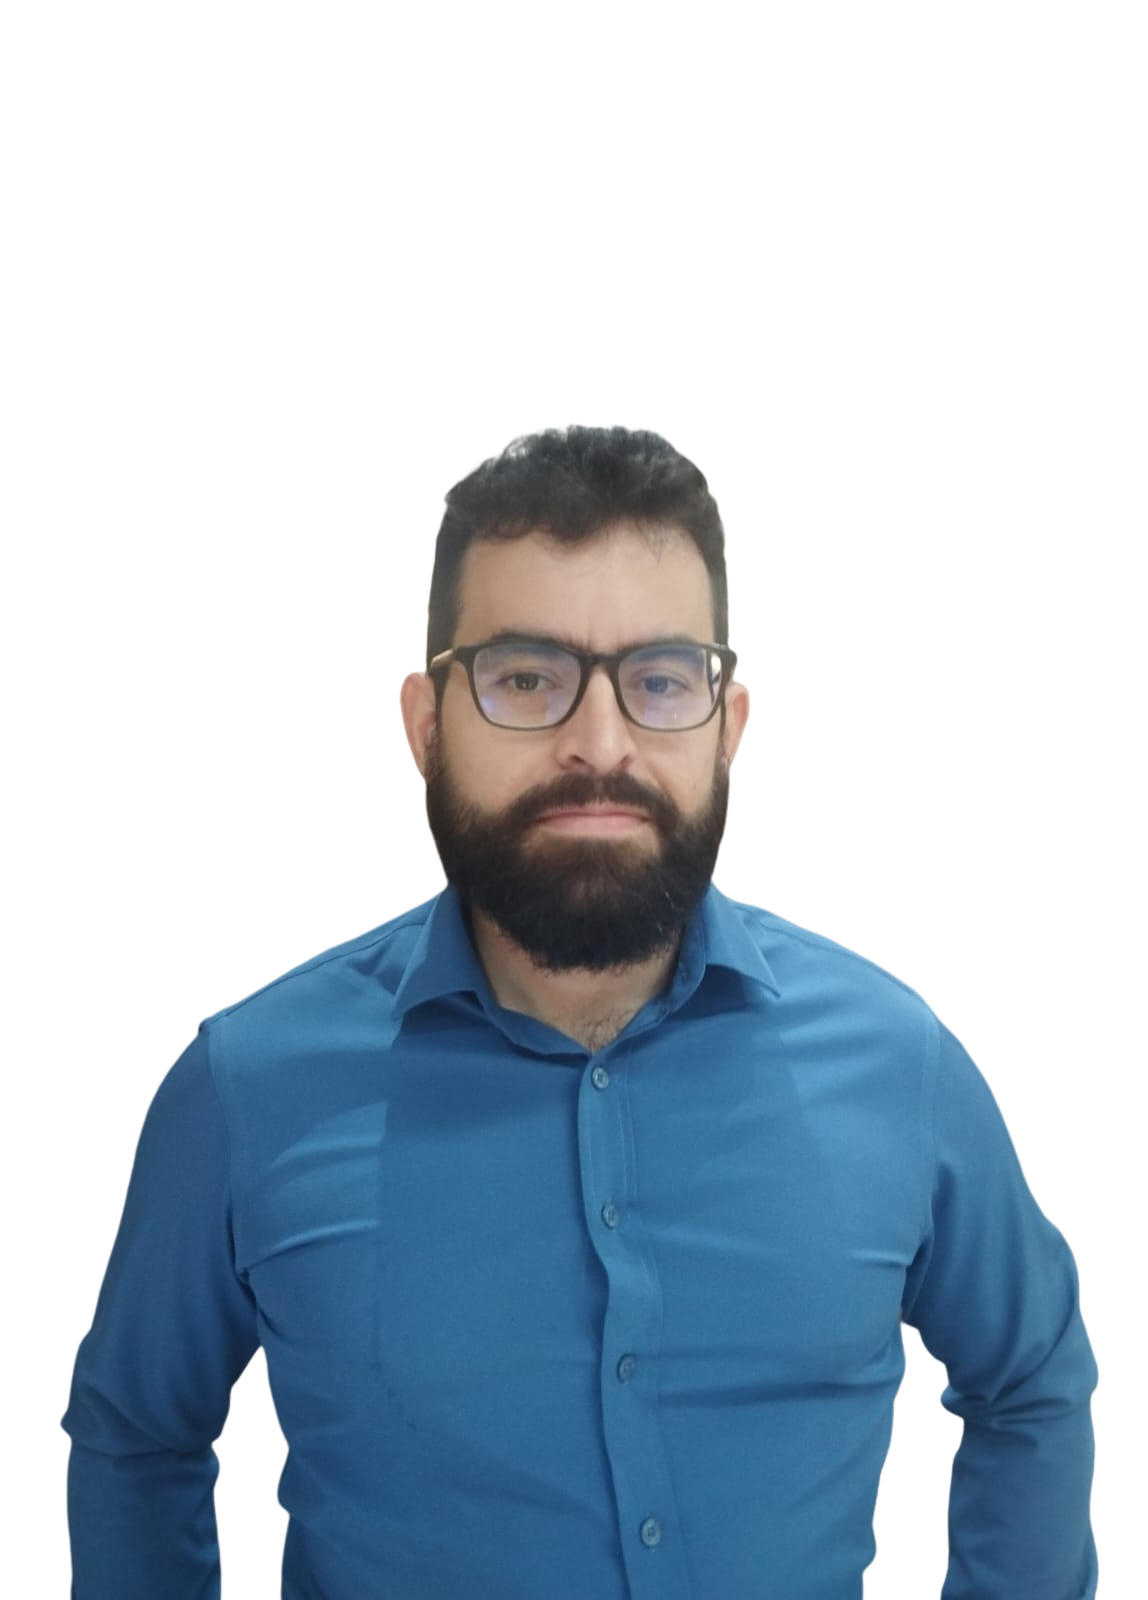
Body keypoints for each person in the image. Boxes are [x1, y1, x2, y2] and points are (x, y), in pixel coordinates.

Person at [61, 424, 1098, 1598]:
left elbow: (1031, 1378)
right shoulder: (243, 1086)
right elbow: (137, 1435)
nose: (596, 744)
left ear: (727, 727)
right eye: (525, 678)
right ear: (423, 724)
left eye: (659, 680)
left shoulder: (902, 1062)